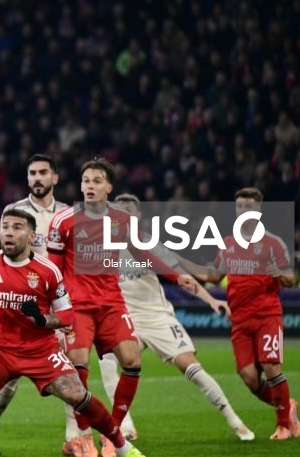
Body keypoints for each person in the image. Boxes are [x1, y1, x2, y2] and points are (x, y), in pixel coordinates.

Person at [0, 209, 147, 457]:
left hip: (41, 351)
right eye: (5, 227)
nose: (9, 232)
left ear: (32, 236)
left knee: (77, 394)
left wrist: (42, 319)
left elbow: (67, 316)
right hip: (0, 349)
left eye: (17, 227)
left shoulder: (48, 271)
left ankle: (121, 447)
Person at [45, 158, 199, 456]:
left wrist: (176, 276)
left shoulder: (122, 219)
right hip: (78, 306)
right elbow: (53, 271)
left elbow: (143, 254)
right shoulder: (63, 221)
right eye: (86, 180)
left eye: (97, 181)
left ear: (109, 187)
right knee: (78, 367)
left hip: (112, 304)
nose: (90, 186)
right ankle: (84, 436)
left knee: (132, 361)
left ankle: (113, 435)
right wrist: (54, 311)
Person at [90, 193, 254, 456]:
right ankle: (124, 428)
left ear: (138, 215)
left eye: (130, 210)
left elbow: (180, 276)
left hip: (157, 317)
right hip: (124, 318)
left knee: (191, 367)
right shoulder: (102, 247)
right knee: (107, 361)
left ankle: (235, 421)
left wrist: (212, 300)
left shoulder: (148, 245)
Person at [177, 187, 300, 441]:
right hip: (240, 320)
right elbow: (214, 276)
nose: (243, 211)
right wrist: (179, 261)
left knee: (271, 367)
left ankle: (284, 426)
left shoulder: (272, 243)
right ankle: (287, 405)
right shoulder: (228, 243)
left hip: (267, 316)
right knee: (249, 378)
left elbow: (291, 278)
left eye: (249, 207)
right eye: (240, 207)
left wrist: (279, 272)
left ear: (259, 210)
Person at [0, 154, 67, 456]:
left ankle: (76, 438)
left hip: (56, 301)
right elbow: (6, 256)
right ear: (27, 178)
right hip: (21, 304)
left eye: (43, 172)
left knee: (73, 370)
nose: (37, 178)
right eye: (32, 173)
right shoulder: (16, 212)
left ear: (55, 177)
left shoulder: (66, 214)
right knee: (8, 380)